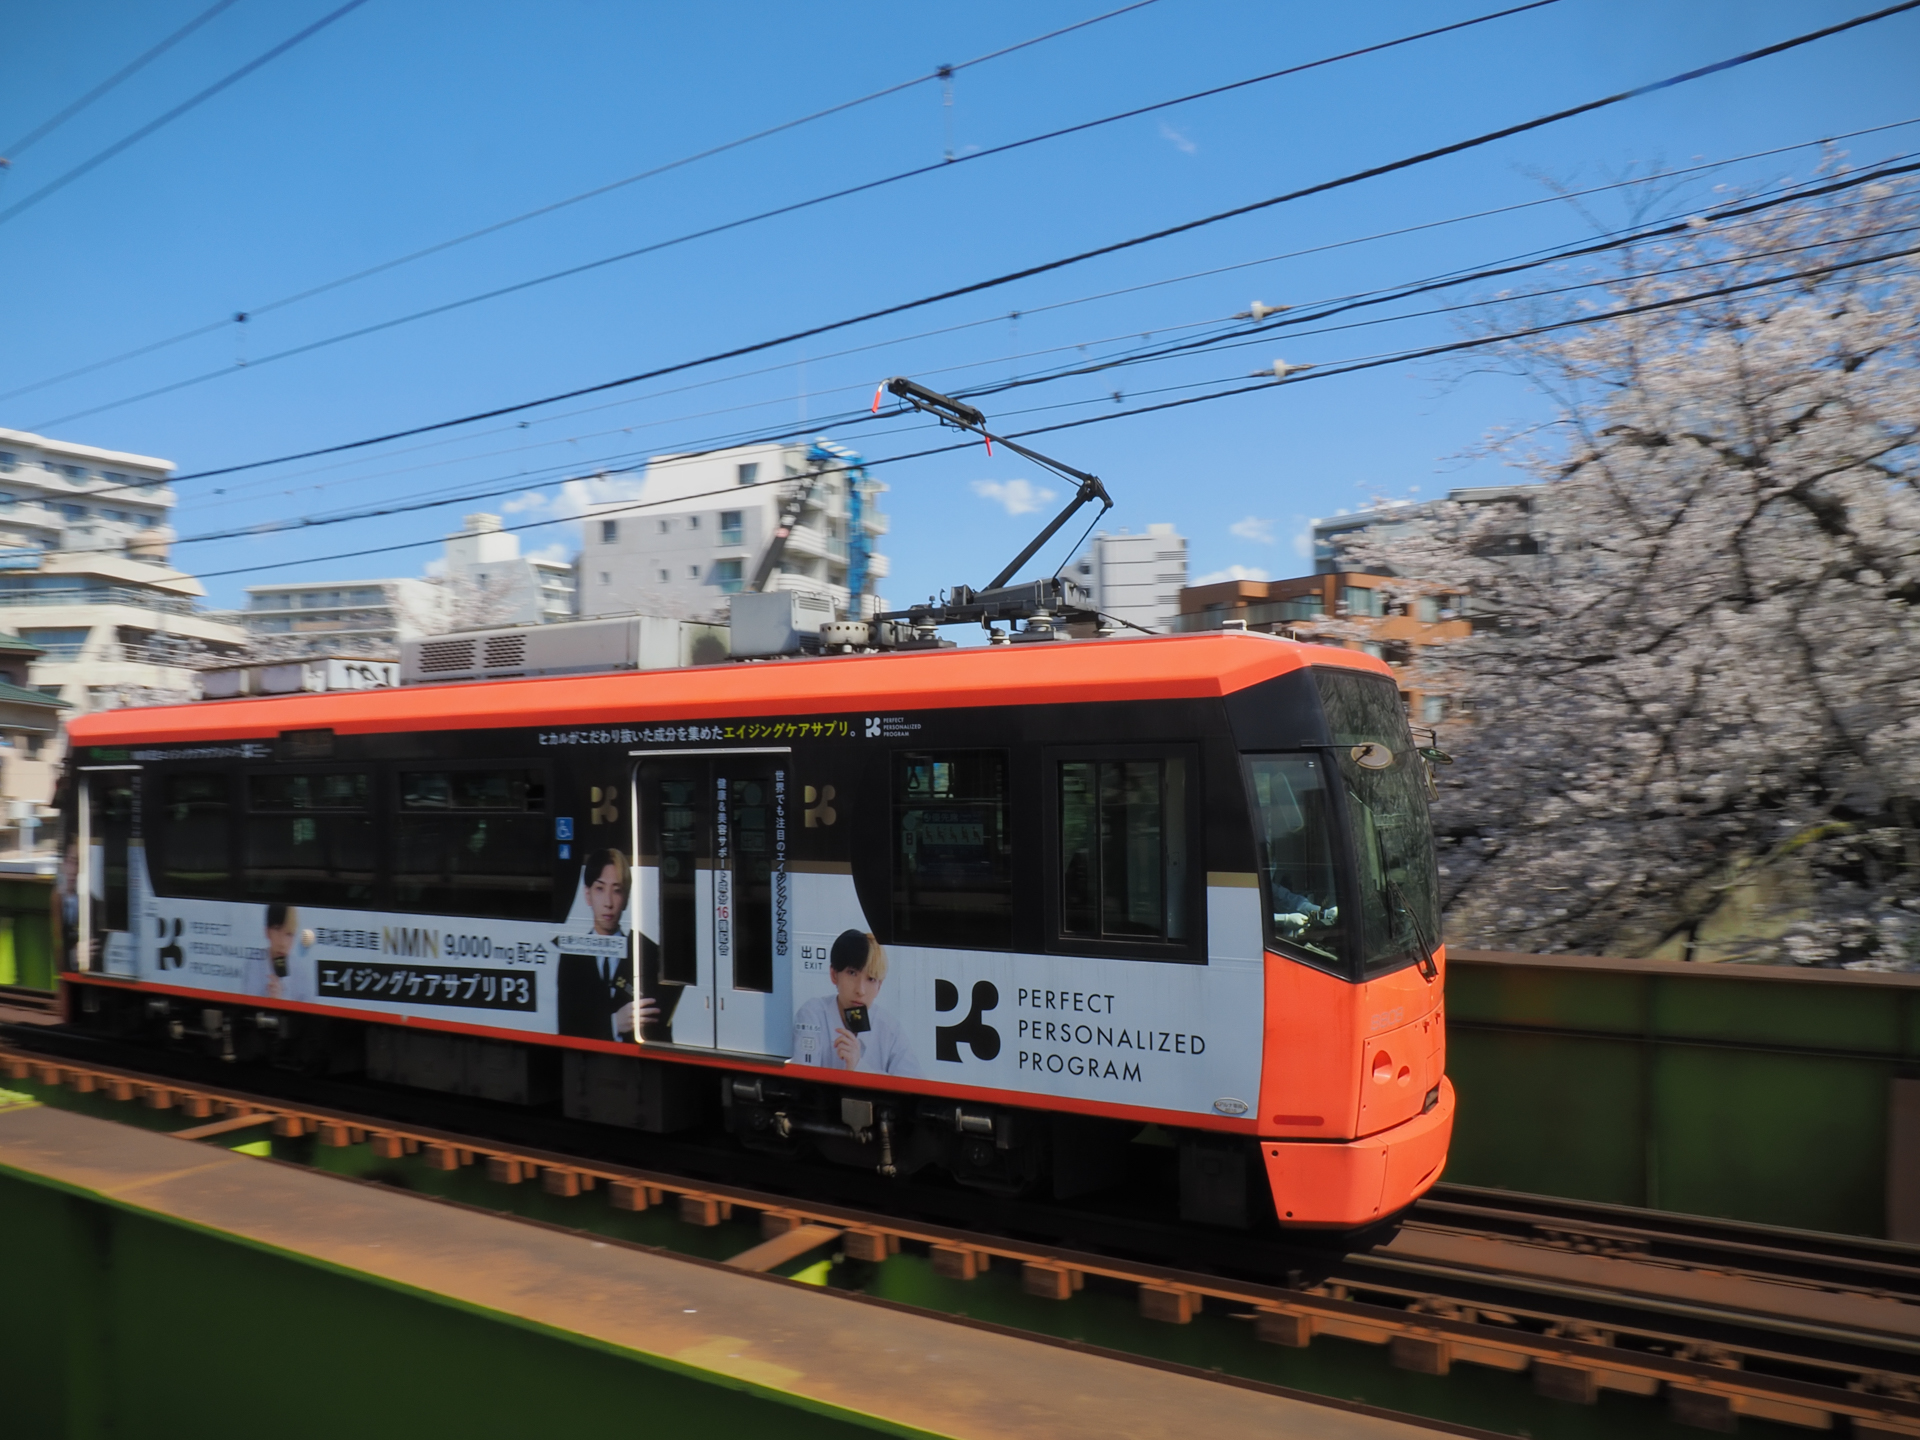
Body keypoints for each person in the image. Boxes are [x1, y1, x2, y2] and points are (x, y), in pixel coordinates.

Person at [557, 849, 658, 1040]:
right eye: (600, 889)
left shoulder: (648, 952)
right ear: (587, 895)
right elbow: (567, 1028)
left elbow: (659, 1030)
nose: (608, 903)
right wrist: (614, 1024)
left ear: (627, 898)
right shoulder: (571, 957)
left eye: (617, 890)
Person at [791, 930, 918, 1076]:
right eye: (852, 973)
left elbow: (914, 1086)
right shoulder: (813, 1013)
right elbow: (804, 1079)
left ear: (879, 987)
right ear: (834, 975)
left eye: (871, 979)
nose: (860, 990)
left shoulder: (890, 1029)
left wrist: (858, 1066)